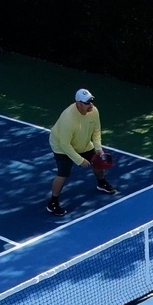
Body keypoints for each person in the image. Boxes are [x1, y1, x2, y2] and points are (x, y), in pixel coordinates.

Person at [46, 88, 118, 216]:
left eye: (91, 101)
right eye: (87, 103)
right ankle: (53, 202)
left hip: (82, 141)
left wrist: (98, 148)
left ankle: (101, 183)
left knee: (97, 161)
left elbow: (96, 131)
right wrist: (80, 160)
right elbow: (65, 144)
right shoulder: (68, 119)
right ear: (78, 103)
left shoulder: (94, 111)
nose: (91, 105)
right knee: (64, 173)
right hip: (61, 146)